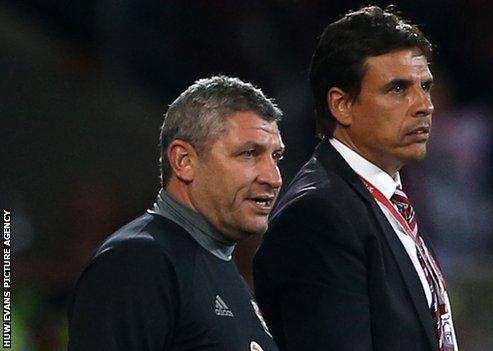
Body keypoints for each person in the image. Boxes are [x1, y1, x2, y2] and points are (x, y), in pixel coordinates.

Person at [253, 6, 458, 351]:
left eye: (425, 86)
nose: (424, 105)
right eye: (397, 89)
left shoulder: (378, 201)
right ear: (341, 105)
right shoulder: (319, 216)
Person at [68, 76, 284, 351]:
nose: (273, 177)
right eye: (249, 153)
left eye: (275, 157)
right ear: (184, 161)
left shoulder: (222, 269)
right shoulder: (139, 262)